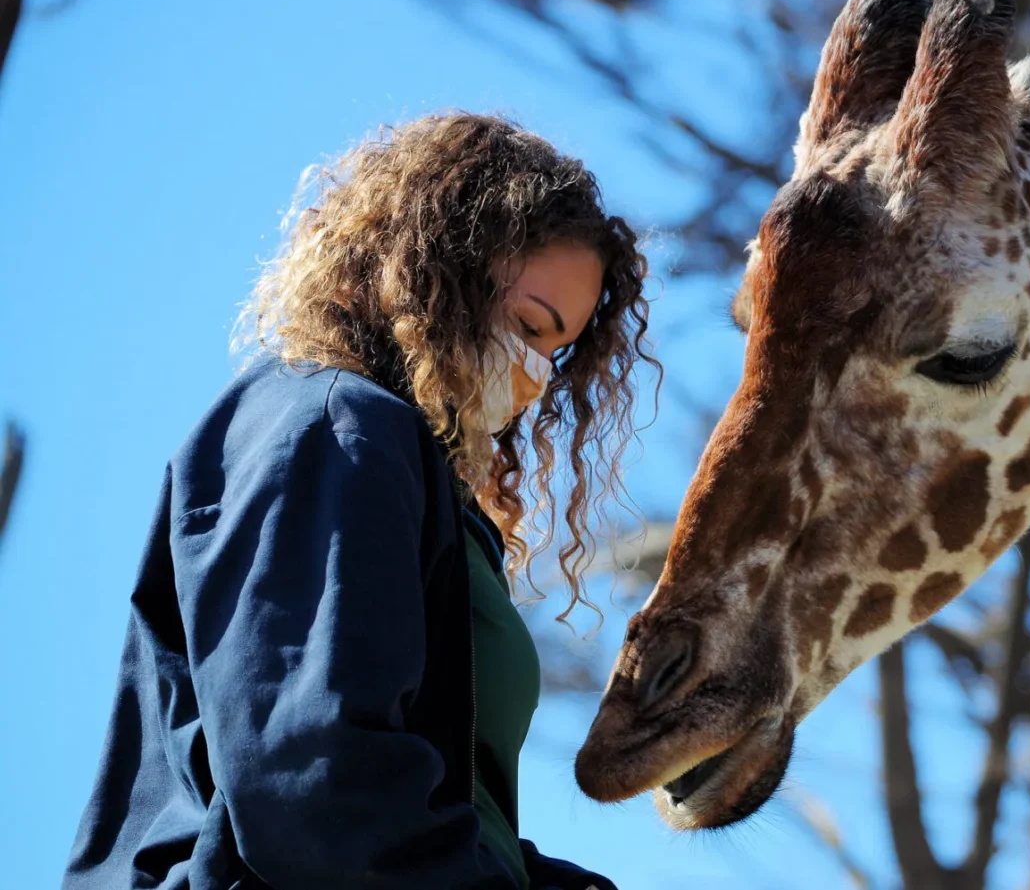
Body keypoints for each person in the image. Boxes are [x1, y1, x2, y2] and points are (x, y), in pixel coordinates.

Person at [63, 113, 655, 890]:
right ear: (441, 268)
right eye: (525, 325)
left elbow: (436, 809)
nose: (535, 376)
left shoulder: (412, 478)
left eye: (558, 350)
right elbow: (316, 782)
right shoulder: (334, 428)